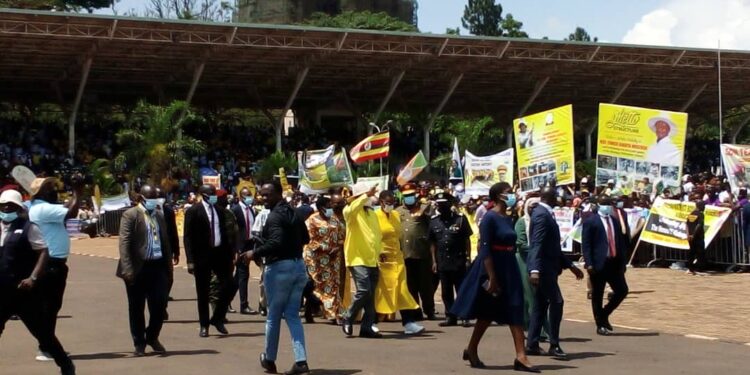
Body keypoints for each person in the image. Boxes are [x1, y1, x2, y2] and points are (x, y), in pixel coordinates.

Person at [451, 183, 538, 372]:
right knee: (487, 313)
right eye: (508, 192)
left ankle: (521, 356)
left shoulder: (509, 217)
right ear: (498, 196)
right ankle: (472, 348)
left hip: (509, 266)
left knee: (516, 307)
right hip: (492, 267)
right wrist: (492, 276)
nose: (512, 195)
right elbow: (485, 249)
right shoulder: (489, 218)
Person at [0, 189, 76, 375]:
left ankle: (65, 364)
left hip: (23, 292)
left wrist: (33, 278)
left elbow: (43, 251)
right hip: (2, 293)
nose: (7, 208)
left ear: (18, 208)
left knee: (43, 334)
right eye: (4, 205)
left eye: (11, 206)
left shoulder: (29, 227)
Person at [240, 182, 310, 375]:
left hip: (279, 268)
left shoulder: (274, 217)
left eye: (267, 195)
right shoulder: (294, 213)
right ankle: (301, 361)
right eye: (261, 195)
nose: (263, 198)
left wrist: (252, 253)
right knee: (293, 315)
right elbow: (306, 238)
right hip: (298, 267)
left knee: (273, 316)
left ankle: (269, 359)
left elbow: (276, 242)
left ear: (279, 194)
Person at [28, 176, 82, 362]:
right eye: (50, 187)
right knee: (49, 308)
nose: (54, 190)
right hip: (50, 264)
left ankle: (47, 346)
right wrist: (77, 190)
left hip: (53, 263)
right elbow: (72, 212)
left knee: (50, 307)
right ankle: (46, 348)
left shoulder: (40, 207)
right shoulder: (43, 208)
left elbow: (66, 207)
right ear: (41, 192)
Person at [525, 188, 584, 359]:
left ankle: (533, 343)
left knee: (540, 305)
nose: (560, 199)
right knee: (557, 302)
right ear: (549, 197)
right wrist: (534, 270)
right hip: (543, 269)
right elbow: (536, 243)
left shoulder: (545, 213)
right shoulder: (542, 215)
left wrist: (570, 265)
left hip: (548, 266)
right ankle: (554, 343)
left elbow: (553, 247)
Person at [116, 184, 173, 356]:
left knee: (159, 304)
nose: (155, 201)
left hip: (157, 266)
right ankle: (139, 343)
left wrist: (169, 266)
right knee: (136, 307)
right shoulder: (131, 215)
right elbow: (124, 243)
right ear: (141, 198)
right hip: (137, 267)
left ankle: (152, 336)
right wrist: (127, 269)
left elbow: (166, 242)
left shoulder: (159, 216)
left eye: (156, 198)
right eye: (151, 198)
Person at [183, 184, 233, 337]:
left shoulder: (219, 210)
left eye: (215, 194)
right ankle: (204, 325)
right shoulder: (193, 211)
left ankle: (217, 317)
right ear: (203, 195)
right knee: (203, 292)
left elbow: (224, 232)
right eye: (211, 194)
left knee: (230, 285)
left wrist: (230, 253)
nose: (214, 196)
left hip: (219, 253)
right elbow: (188, 237)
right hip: (201, 256)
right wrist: (190, 260)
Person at [373, 191, 425, 335]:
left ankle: (408, 323)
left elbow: (399, 236)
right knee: (383, 292)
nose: (390, 206)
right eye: (387, 203)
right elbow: (371, 236)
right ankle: (372, 321)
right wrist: (379, 251)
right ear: (381, 202)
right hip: (382, 259)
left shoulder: (396, 215)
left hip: (397, 258)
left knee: (402, 290)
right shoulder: (374, 216)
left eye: (392, 203)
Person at [581, 196, 629, 336]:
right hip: (598, 263)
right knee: (598, 294)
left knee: (622, 290)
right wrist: (589, 263)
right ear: (598, 205)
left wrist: (623, 262)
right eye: (604, 204)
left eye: (609, 204)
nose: (607, 207)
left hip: (613, 262)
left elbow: (620, 243)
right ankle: (600, 324)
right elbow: (587, 244)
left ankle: (604, 314)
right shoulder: (591, 221)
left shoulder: (614, 221)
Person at [341, 183, 382, 339]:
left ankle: (367, 327)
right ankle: (348, 316)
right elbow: (351, 208)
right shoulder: (350, 212)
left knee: (370, 295)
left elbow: (376, 235)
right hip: (357, 258)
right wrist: (365, 194)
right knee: (364, 290)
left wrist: (380, 251)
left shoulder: (372, 214)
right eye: (366, 196)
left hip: (372, 259)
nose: (370, 198)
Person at [428, 192, 472, 327]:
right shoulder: (434, 221)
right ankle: (450, 316)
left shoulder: (460, 219)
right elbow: (432, 243)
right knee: (446, 291)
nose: (441, 207)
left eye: (444, 204)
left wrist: (468, 257)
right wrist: (434, 261)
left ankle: (464, 316)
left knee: (461, 289)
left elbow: (467, 240)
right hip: (442, 261)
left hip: (458, 259)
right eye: (439, 205)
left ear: (449, 204)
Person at [303, 194, 346, 324]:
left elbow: (342, 235)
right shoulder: (312, 220)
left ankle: (332, 312)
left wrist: (337, 246)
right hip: (316, 258)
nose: (330, 209)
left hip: (334, 258)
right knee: (320, 286)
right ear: (321, 208)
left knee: (334, 285)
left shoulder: (335, 220)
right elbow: (308, 239)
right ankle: (332, 314)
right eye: (328, 207)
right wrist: (325, 248)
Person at [396, 183, 435, 321]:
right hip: (405, 254)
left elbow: (432, 215)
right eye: (406, 196)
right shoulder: (398, 211)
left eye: (411, 195)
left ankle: (429, 310)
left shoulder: (424, 208)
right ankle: (416, 311)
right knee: (410, 286)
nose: (409, 198)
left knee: (426, 286)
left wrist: (425, 203)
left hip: (422, 253)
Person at [514, 197, 550, 341]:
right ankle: (539, 330)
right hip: (524, 261)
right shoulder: (522, 222)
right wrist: (538, 251)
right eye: (531, 206)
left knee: (540, 296)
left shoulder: (542, 221)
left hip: (538, 261)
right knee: (530, 296)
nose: (533, 209)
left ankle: (538, 328)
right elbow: (521, 244)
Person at [231, 187, 258, 315]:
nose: (249, 198)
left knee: (238, 277)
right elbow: (233, 231)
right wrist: (236, 249)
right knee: (243, 275)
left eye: (250, 195)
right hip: (240, 246)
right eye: (246, 195)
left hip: (250, 244)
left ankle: (225, 301)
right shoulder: (235, 210)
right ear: (241, 197)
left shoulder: (251, 209)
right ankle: (244, 305)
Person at [155, 187, 179, 320]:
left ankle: (162, 305)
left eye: (161, 196)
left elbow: (174, 232)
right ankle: (158, 307)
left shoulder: (168, 211)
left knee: (169, 279)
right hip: (153, 250)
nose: (159, 198)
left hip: (167, 249)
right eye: (157, 196)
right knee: (156, 281)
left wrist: (176, 251)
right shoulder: (148, 211)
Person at [686, 200, 706, 275]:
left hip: (690, 237)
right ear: (700, 206)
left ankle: (690, 269)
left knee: (691, 252)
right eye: (704, 206)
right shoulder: (701, 214)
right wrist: (694, 234)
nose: (704, 208)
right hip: (698, 237)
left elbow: (687, 225)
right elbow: (699, 225)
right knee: (700, 253)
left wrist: (688, 235)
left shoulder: (691, 213)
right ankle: (699, 269)